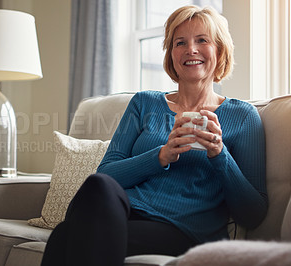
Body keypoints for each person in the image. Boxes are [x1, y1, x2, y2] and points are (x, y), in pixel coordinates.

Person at [41, 5, 268, 266]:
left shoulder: (243, 117)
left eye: (202, 40)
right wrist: (162, 155)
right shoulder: (144, 103)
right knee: (99, 186)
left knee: (64, 236)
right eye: (180, 42)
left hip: (186, 231)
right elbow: (106, 175)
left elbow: (253, 214)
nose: (190, 49)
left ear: (220, 50)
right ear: (171, 55)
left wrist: (220, 154)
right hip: (122, 213)